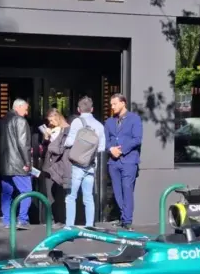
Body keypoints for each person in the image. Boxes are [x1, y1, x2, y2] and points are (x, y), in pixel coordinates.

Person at [64, 96, 106, 228]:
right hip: (91, 165)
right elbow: (101, 148)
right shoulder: (99, 125)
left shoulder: (77, 122)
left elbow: (69, 142)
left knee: (71, 197)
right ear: (92, 109)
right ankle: (89, 227)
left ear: (78, 109)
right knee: (88, 198)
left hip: (77, 164)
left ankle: (69, 226)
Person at [105, 93, 142, 229]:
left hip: (129, 160)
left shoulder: (134, 119)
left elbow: (137, 139)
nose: (112, 107)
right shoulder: (109, 122)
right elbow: (106, 140)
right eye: (111, 104)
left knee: (127, 189)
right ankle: (123, 215)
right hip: (113, 162)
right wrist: (110, 149)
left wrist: (121, 150)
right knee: (117, 191)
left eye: (114, 104)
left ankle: (127, 221)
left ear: (123, 103)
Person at [0, 98, 33, 230]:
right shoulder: (20, 121)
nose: (26, 113)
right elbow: (23, 144)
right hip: (18, 164)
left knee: (7, 193)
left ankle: (7, 221)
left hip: (5, 164)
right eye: (25, 109)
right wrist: (27, 162)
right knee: (27, 191)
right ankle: (23, 219)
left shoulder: (3, 121)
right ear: (18, 107)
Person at [39, 108, 72, 227]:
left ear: (58, 118)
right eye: (49, 121)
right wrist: (46, 138)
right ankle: (50, 219)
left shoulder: (67, 130)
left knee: (60, 194)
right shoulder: (51, 130)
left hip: (60, 166)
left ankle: (60, 220)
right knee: (49, 194)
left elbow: (61, 148)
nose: (50, 123)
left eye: (52, 120)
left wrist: (53, 139)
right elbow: (44, 149)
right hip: (49, 166)